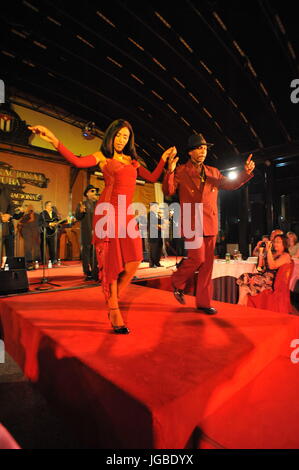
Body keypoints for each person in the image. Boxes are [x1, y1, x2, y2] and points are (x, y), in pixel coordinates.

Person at [29, 120, 175, 334]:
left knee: (134, 261)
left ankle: (112, 297)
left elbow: (153, 177)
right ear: (111, 136)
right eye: (118, 135)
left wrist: (164, 160)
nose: (121, 140)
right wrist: (52, 138)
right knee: (111, 263)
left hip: (126, 214)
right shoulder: (102, 157)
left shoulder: (133, 161)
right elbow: (77, 162)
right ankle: (114, 307)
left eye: (125, 136)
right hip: (107, 212)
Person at [162, 133, 255, 315]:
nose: (203, 151)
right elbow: (168, 190)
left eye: (205, 148)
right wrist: (170, 171)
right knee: (198, 258)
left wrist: (246, 173)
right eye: (199, 148)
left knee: (207, 265)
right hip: (190, 222)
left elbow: (231, 184)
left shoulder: (213, 172)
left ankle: (204, 303)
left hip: (210, 222)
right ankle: (177, 281)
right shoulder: (180, 170)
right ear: (190, 152)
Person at [237, 234, 291, 306]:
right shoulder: (273, 254)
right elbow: (260, 269)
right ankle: (240, 304)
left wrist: (268, 250)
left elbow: (272, 266)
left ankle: (241, 306)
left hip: (271, 281)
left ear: (284, 243)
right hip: (263, 276)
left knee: (252, 280)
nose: (275, 243)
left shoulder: (285, 256)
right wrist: (261, 252)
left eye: (278, 242)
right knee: (244, 277)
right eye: (274, 241)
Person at [75, 184, 99, 281]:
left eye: (95, 191)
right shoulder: (82, 204)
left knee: (95, 252)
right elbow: (78, 217)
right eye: (92, 191)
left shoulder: (98, 204)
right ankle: (87, 271)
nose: (95, 193)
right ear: (87, 194)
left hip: (97, 231)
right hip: (87, 231)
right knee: (86, 251)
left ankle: (95, 270)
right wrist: (81, 212)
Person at [18, 204, 41, 269]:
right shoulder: (25, 216)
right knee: (28, 248)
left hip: (36, 234)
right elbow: (20, 223)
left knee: (37, 248)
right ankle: (29, 262)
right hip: (27, 234)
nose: (31, 209)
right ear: (28, 209)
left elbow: (41, 223)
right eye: (29, 208)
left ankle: (37, 261)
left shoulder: (38, 216)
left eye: (31, 207)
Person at [39, 201, 59, 265]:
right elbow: (40, 223)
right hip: (45, 232)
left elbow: (57, 221)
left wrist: (57, 223)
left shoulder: (54, 213)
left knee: (52, 247)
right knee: (43, 247)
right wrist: (49, 224)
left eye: (51, 205)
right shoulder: (42, 213)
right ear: (46, 206)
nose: (51, 207)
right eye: (50, 205)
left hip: (52, 232)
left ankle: (53, 260)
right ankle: (44, 261)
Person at [147, 202, 163, 268]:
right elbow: (156, 221)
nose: (157, 208)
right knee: (153, 250)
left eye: (157, 206)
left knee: (158, 249)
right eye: (155, 206)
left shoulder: (158, 214)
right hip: (153, 235)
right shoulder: (150, 214)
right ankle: (152, 264)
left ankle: (157, 262)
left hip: (159, 234)